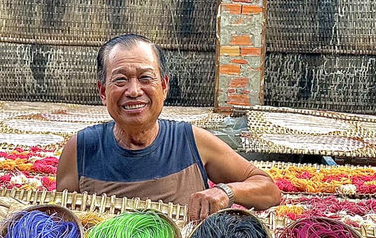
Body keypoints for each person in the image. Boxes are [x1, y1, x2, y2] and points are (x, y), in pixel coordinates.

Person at [56, 34, 282, 221]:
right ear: (103, 92)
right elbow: (64, 224)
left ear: (164, 87)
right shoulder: (81, 150)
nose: (134, 90)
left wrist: (226, 192)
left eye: (145, 78)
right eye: (120, 80)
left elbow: (268, 190)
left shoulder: (192, 142)